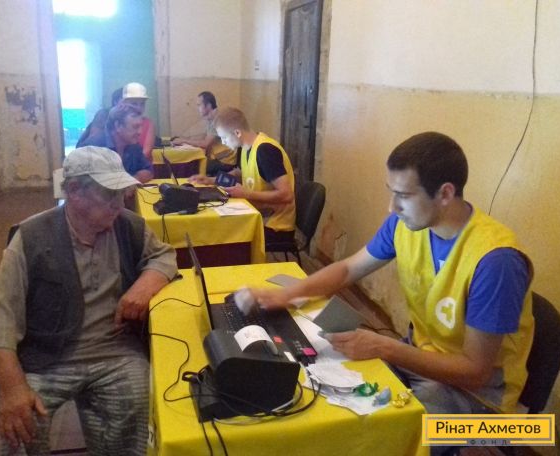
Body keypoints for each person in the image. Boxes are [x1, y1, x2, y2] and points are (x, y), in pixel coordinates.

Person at [252, 132, 534, 419]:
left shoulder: (496, 262)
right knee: (326, 385)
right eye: (392, 192)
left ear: (445, 194)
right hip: (421, 357)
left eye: (404, 196)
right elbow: (348, 269)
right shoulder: (404, 224)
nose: (392, 207)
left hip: (480, 398)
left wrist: (385, 347)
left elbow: (476, 373)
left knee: (375, 424)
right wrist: (288, 294)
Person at [0, 146, 178, 455]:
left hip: (115, 352)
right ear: (74, 191)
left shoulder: (128, 226)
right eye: (109, 194)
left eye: (121, 192)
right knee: (20, 424)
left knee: (136, 402)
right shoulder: (32, 236)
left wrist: (145, 284)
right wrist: (12, 387)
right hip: (46, 356)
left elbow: (164, 256)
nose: (120, 202)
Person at [189, 107, 296, 244]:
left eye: (224, 137)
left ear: (237, 132)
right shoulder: (247, 147)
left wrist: (247, 194)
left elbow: (287, 195)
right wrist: (211, 180)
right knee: (215, 227)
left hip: (275, 226)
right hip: (258, 214)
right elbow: (240, 172)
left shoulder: (265, 151)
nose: (223, 142)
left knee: (221, 235)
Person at [81, 103, 153, 184]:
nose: (140, 132)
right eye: (135, 127)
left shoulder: (134, 146)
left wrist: (132, 180)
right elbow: (86, 184)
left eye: (140, 127)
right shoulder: (93, 147)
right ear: (118, 126)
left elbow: (149, 170)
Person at [172, 91, 237, 175]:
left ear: (208, 106)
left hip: (225, 162)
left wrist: (183, 141)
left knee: (192, 166)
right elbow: (205, 136)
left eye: (199, 105)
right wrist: (184, 139)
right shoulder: (213, 117)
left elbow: (205, 144)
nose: (198, 108)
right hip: (219, 159)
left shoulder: (217, 119)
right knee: (191, 164)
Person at [121, 82, 156, 160]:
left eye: (142, 104)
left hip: (141, 165)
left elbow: (146, 152)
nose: (139, 108)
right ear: (124, 103)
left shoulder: (148, 123)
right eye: (134, 104)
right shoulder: (118, 124)